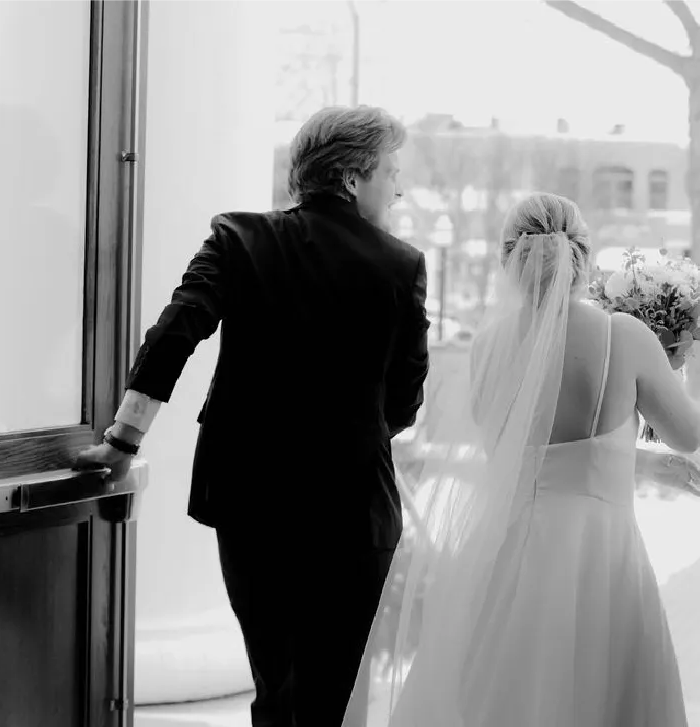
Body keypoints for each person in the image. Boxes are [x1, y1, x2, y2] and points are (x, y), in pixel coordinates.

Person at [75, 105, 430, 727]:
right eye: (391, 173)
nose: (398, 189)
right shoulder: (401, 264)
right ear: (351, 178)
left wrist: (124, 439)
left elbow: (175, 331)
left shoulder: (237, 237)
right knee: (333, 689)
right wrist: (356, 430)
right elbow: (405, 397)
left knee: (273, 679)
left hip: (249, 496)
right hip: (352, 504)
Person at [350, 192, 700, 727]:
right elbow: (691, 434)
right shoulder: (623, 335)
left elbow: (528, 460)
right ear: (583, 256)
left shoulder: (487, 346)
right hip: (598, 558)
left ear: (507, 261)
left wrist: (640, 464)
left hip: (507, 553)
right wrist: (667, 357)